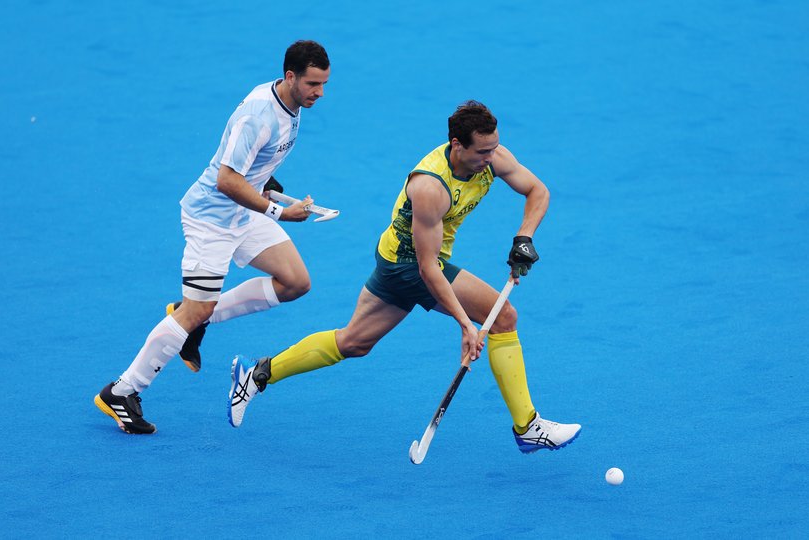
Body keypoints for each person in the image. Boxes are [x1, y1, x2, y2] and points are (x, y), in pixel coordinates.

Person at [227, 100, 581, 453]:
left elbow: (538, 191)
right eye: (483, 151)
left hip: (393, 257)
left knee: (354, 342)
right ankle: (528, 426)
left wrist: (524, 239)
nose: (491, 157)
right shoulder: (430, 187)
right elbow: (428, 269)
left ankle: (258, 373)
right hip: (409, 264)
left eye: (493, 148)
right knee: (503, 316)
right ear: (457, 145)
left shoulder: (493, 157)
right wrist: (465, 324)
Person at [94, 40, 331, 434]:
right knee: (194, 312)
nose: (319, 93)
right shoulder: (260, 114)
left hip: (244, 213)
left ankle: (194, 318)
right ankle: (122, 390)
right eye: (313, 84)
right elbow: (225, 179)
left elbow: (249, 166)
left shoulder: (292, 104)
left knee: (295, 282)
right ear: (290, 76)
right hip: (212, 221)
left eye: (324, 84)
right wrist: (279, 212)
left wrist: (266, 184)